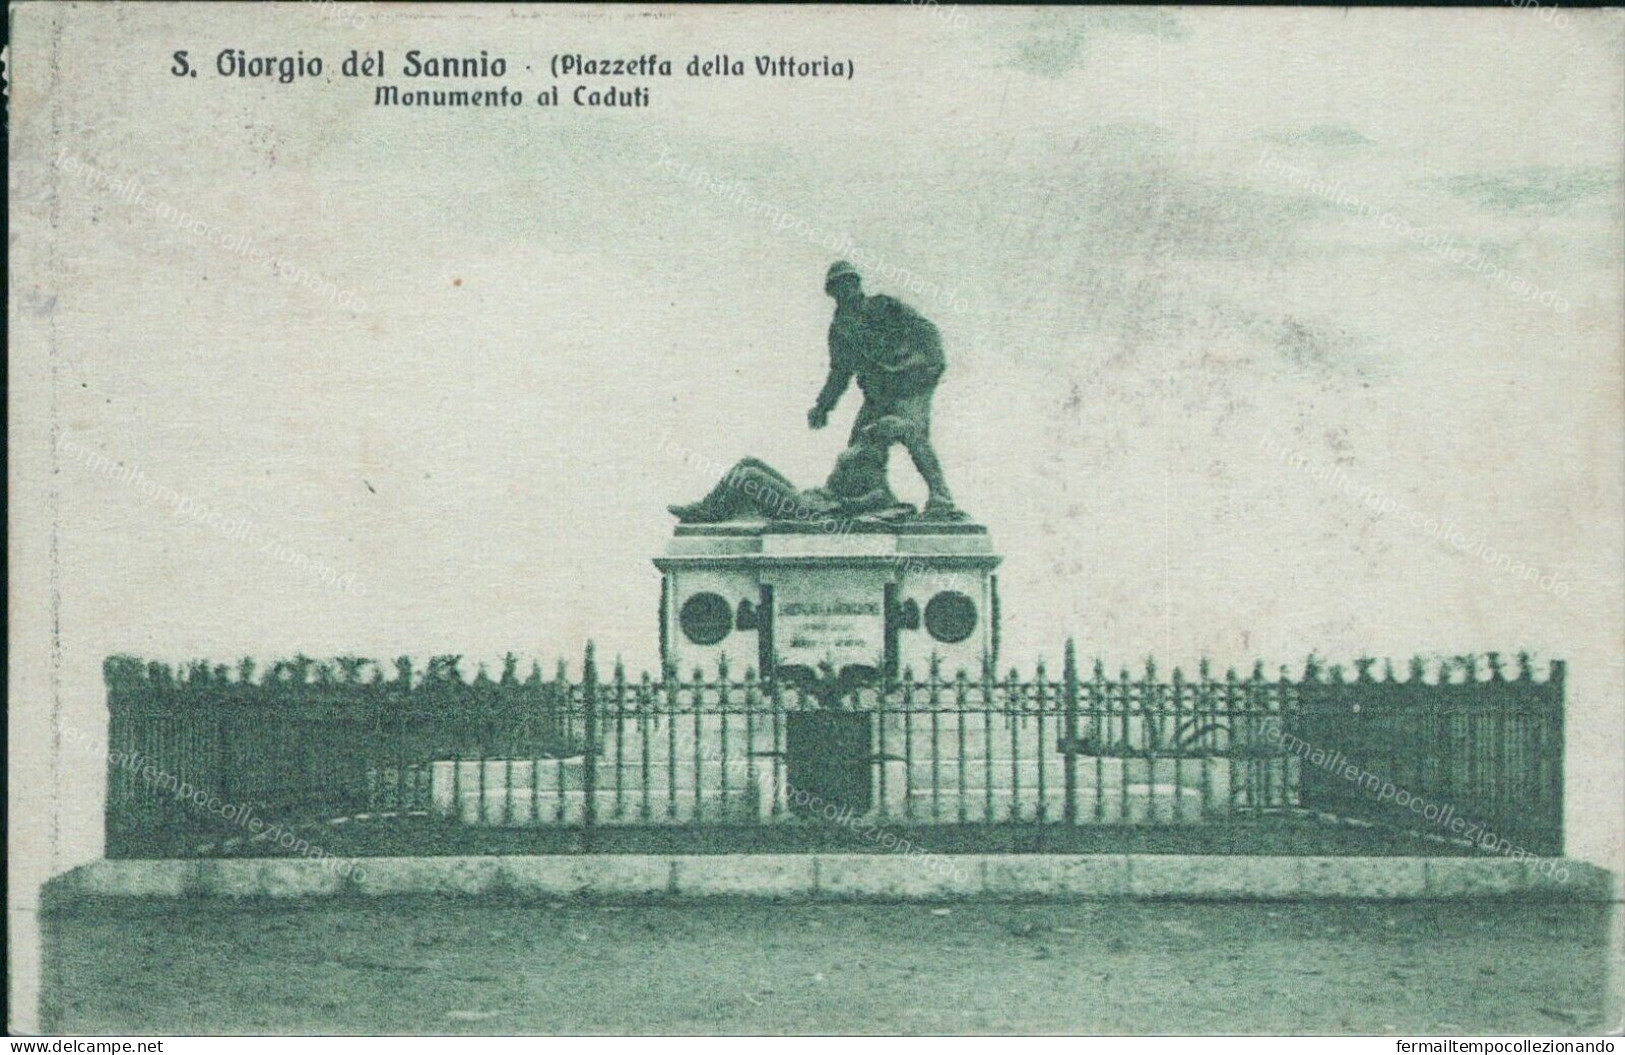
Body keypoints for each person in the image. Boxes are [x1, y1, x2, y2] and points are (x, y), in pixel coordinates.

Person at [808, 260, 963, 519]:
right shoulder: (840, 330)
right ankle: (877, 498)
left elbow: (925, 330)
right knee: (860, 445)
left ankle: (941, 495)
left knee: (912, 434)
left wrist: (930, 367)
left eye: (850, 283)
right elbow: (840, 372)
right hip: (878, 393)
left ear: (857, 285)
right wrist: (823, 406)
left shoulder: (883, 306)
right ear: (832, 292)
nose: (846, 290)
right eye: (839, 286)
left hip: (908, 385)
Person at [667, 417, 914, 524]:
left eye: (875, 428)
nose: (867, 429)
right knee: (748, 462)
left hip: (805, 510)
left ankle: (712, 512)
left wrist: (841, 505)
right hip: (808, 499)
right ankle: (707, 506)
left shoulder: (869, 460)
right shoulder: (866, 455)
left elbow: (881, 497)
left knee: (749, 477)